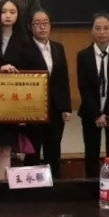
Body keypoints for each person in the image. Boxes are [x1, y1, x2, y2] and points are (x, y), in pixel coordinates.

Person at [0, 0, 44, 180]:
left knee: (5, 150)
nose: (8, 16)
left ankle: (3, 191)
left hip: (12, 105)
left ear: (18, 16)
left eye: (12, 12)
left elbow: (36, 72)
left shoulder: (26, 40)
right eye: (4, 12)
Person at [76, 12, 109, 178]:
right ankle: (91, 187)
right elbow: (83, 88)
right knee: (91, 152)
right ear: (91, 31)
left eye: (106, 28)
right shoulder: (83, 56)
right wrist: (97, 114)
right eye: (97, 28)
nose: (102, 32)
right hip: (91, 112)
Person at [25, 10, 72, 178]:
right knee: (33, 148)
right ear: (30, 27)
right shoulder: (24, 48)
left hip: (56, 106)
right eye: (37, 24)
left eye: (45, 23)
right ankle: (30, 186)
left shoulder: (58, 47)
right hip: (33, 107)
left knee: (53, 147)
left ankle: (54, 183)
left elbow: (63, 78)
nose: (42, 27)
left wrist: (66, 107)